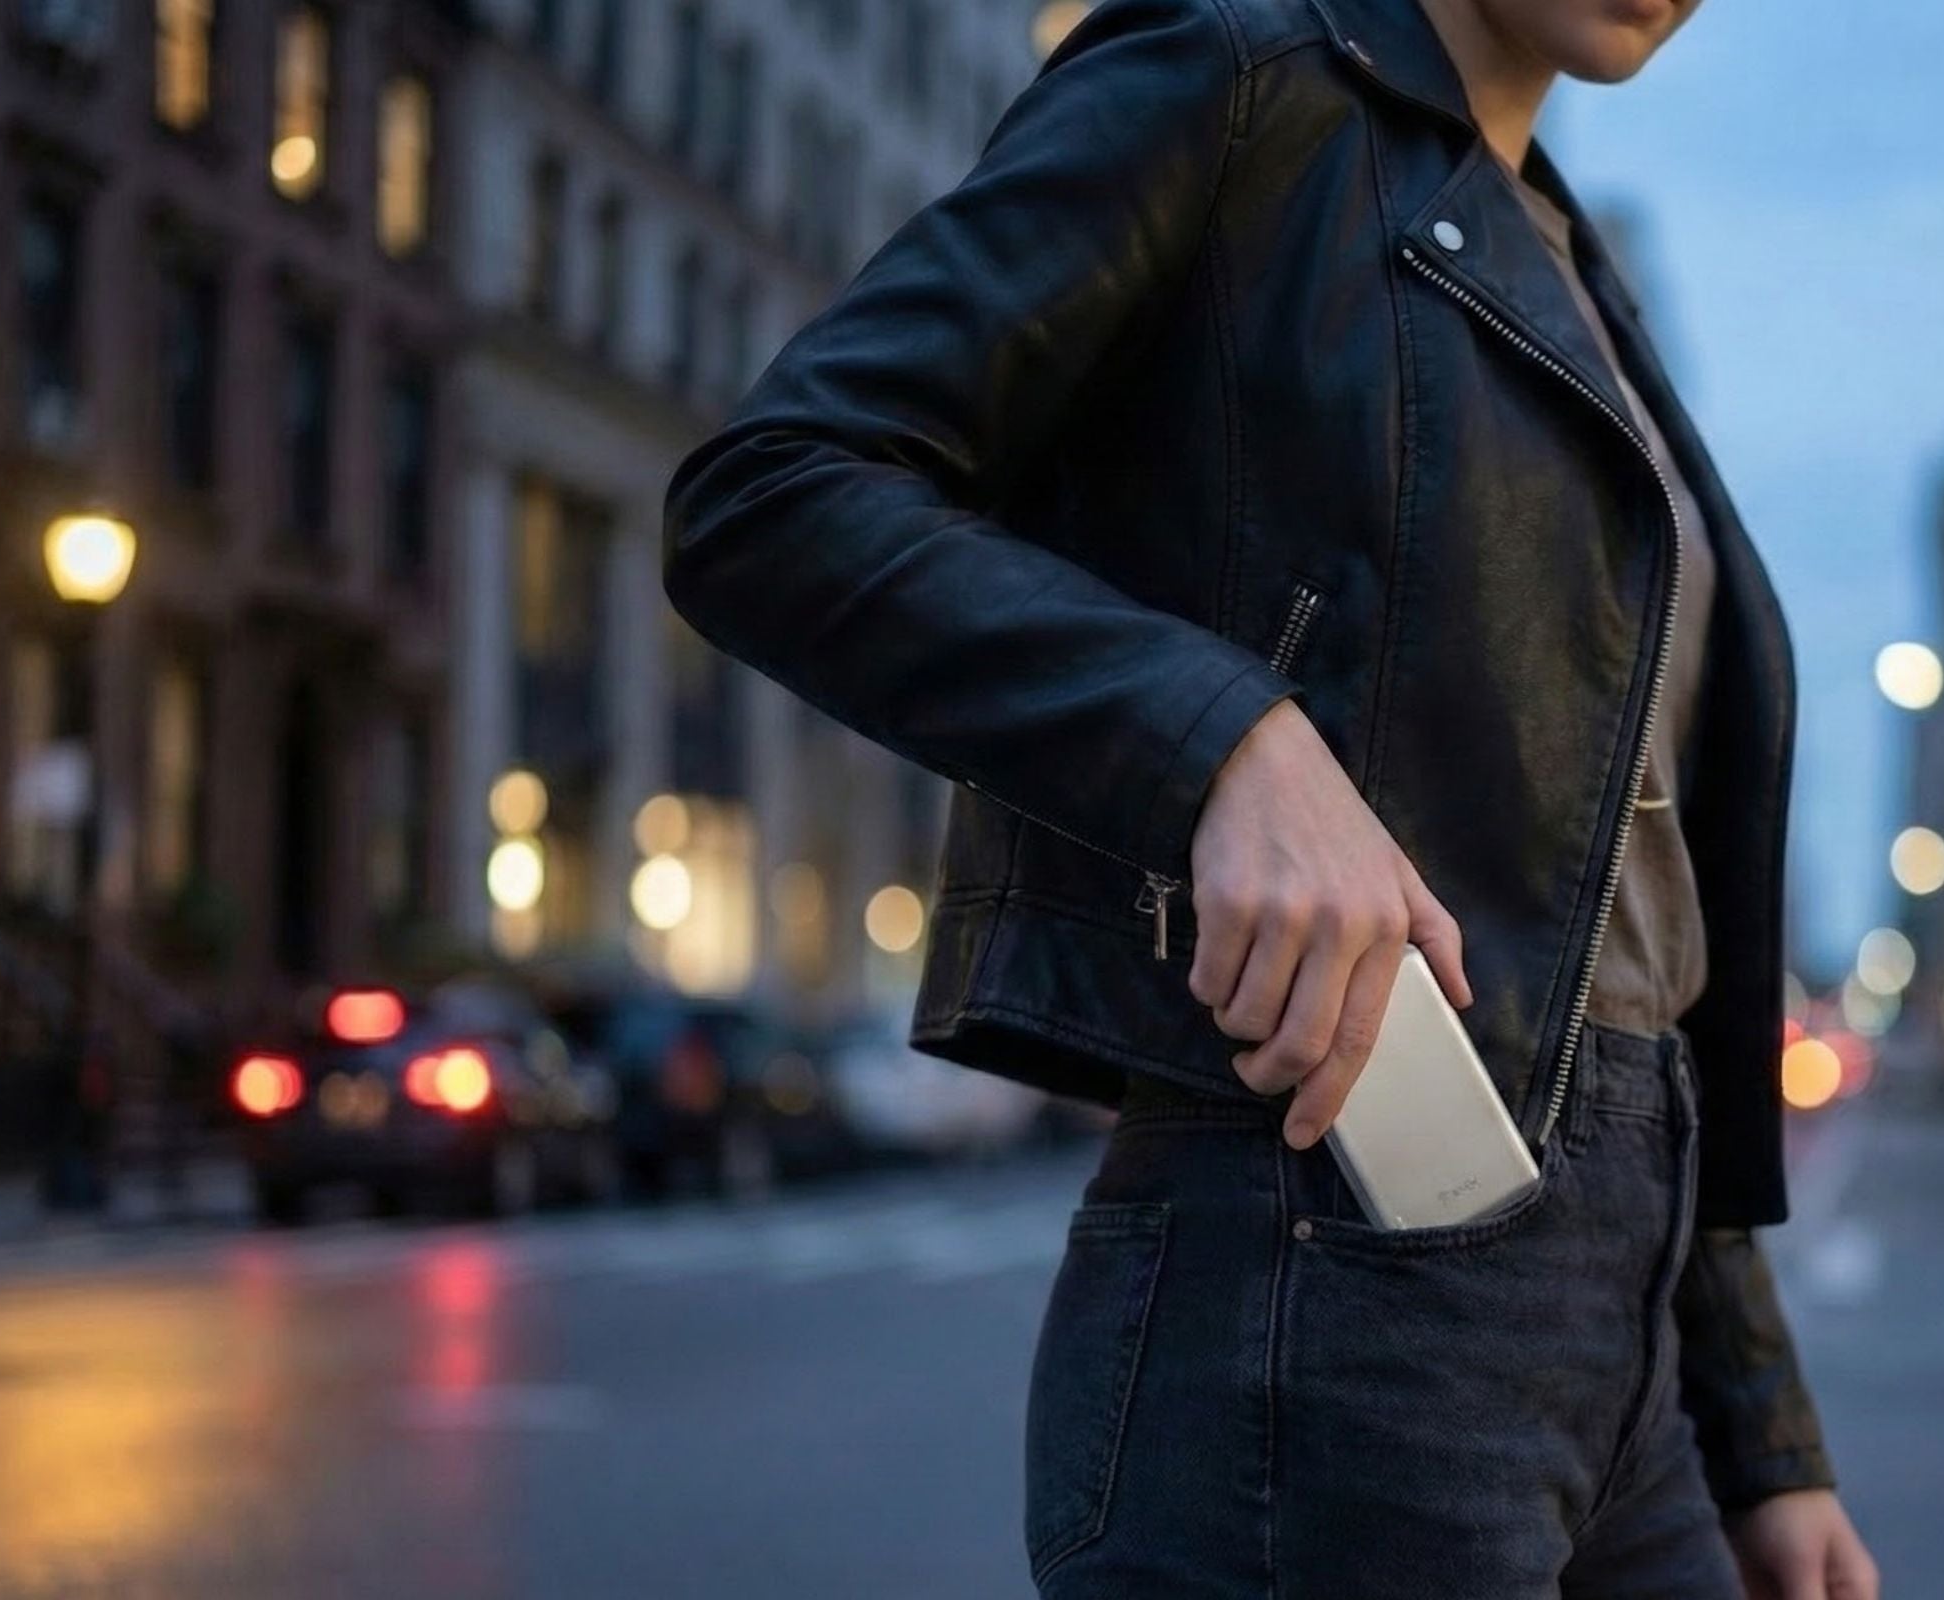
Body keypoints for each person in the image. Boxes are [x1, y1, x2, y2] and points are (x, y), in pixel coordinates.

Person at [662, 1, 1879, 1595]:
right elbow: (776, 493)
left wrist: (1760, 1434)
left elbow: (1632, 935)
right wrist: (1222, 739)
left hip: (1626, 1350)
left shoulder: (1576, 262)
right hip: (1333, 1269)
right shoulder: (1234, 70)